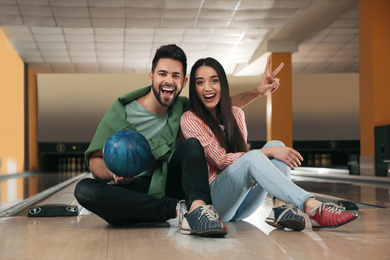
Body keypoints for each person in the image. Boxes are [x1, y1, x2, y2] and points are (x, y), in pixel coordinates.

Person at [74, 44, 267, 237]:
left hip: (167, 183)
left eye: (175, 76)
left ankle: (197, 209)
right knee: (84, 190)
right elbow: (95, 159)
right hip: (131, 189)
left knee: (192, 145)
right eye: (163, 74)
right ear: (152, 77)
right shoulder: (123, 113)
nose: (169, 80)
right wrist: (113, 172)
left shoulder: (181, 108)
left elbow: (219, 106)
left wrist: (256, 93)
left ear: (183, 81)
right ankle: (176, 210)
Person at [180, 57, 359, 231]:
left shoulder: (236, 114)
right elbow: (220, 160)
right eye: (200, 82)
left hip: (242, 206)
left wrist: (270, 151)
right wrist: (267, 153)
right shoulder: (190, 119)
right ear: (193, 88)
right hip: (216, 204)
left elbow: (243, 155)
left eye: (214, 81)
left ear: (223, 84)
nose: (208, 88)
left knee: (276, 143)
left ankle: (281, 208)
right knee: (262, 153)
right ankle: (313, 207)